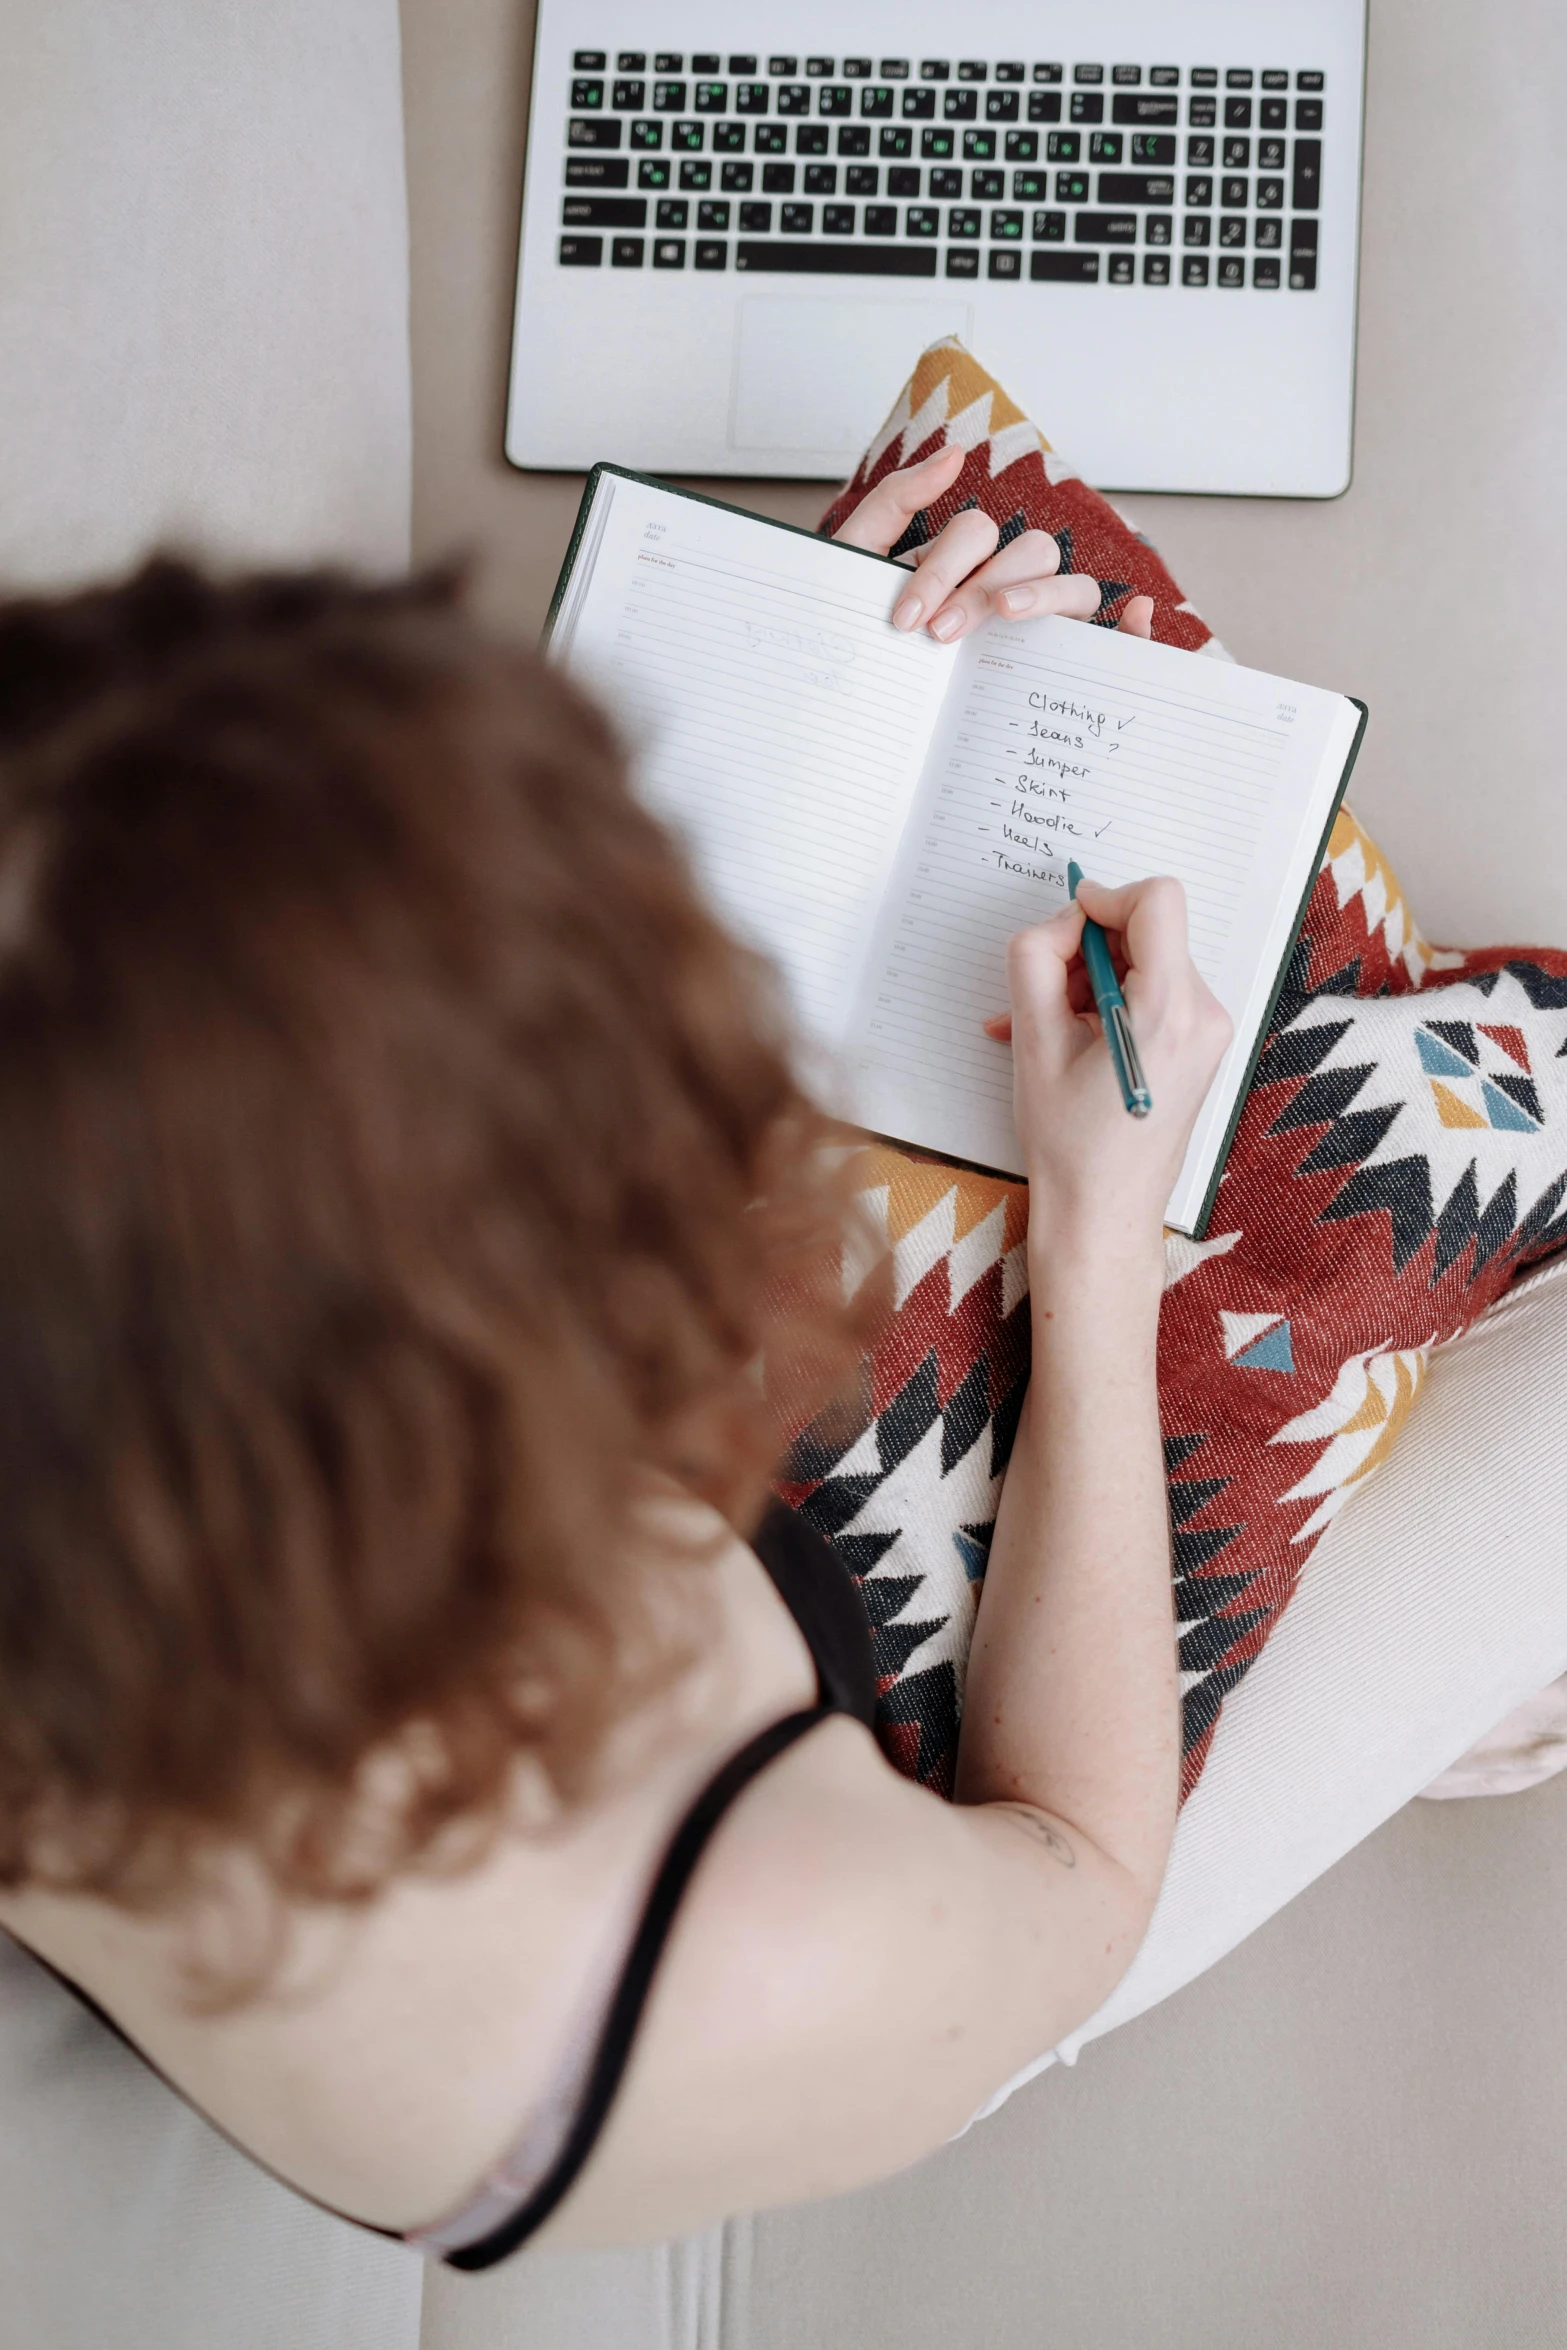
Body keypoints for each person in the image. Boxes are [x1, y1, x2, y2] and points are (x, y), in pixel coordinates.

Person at [0, 445, 1230, 2266]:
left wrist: (782, 701)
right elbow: (1081, 1875)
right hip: (774, 1928)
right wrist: (1101, 1239)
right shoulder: (720, 1945)